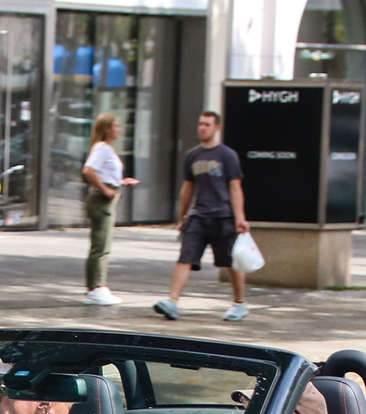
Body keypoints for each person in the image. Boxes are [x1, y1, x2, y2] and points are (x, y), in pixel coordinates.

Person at [153, 110, 249, 324]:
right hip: (198, 216)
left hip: (223, 216)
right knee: (185, 258)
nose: (202, 128)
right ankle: (172, 302)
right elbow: (187, 188)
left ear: (217, 127)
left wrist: (239, 217)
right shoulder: (192, 155)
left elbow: (235, 188)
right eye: (200, 124)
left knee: (231, 262)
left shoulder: (227, 155)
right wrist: (182, 216)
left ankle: (240, 303)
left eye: (207, 124)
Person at [79, 113, 135, 305]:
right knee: (100, 245)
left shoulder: (107, 149)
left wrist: (120, 182)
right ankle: (94, 287)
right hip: (101, 200)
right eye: (116, 126)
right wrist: (105, 189)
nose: (119, 129)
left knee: (104, 244)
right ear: (107, 129)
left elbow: (105, 173)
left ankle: (99, 285)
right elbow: (88, 170)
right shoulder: (102, 148)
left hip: (109, 198)